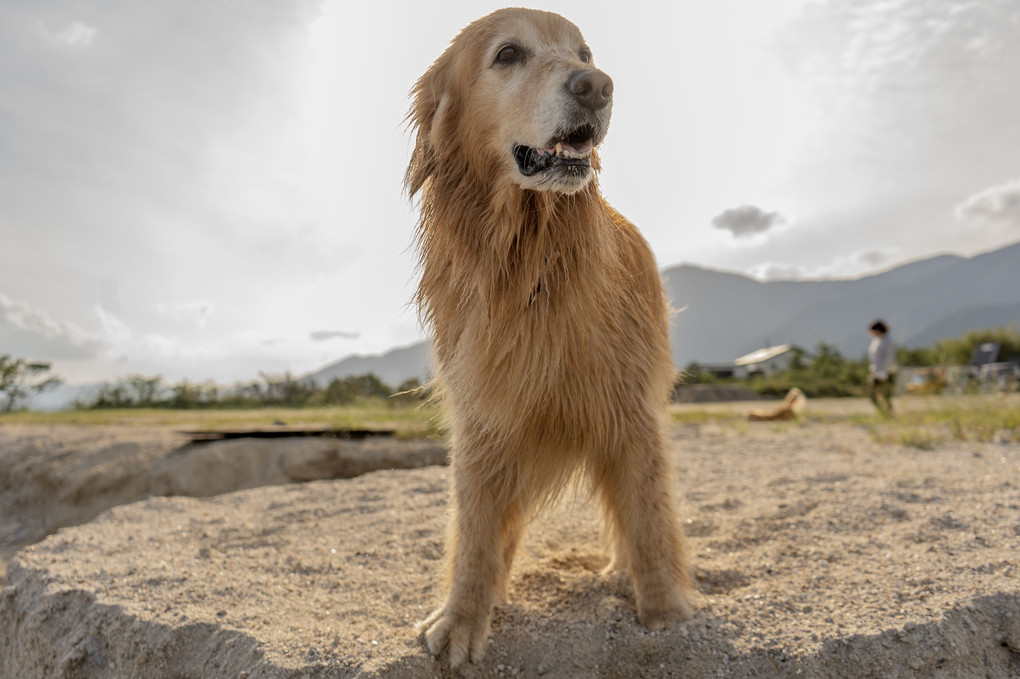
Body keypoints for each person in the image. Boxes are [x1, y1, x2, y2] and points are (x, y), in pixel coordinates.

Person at [868, 319, 896, 416]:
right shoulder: (876, 340)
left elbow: (889, 358)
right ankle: (884, 412)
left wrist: (884, 373)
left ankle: (888, 413)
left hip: (884, 372)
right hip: (876, 371)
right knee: (873, 394)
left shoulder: (887, 341)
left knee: (884, 394)